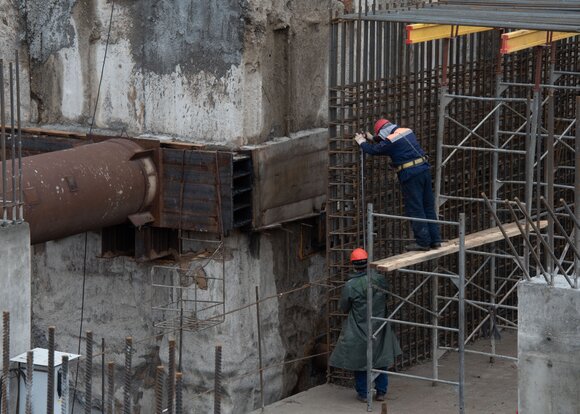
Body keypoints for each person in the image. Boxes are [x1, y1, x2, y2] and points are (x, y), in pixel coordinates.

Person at [354, 117, 442, 251]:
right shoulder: (407, 131)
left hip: (411, 174)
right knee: (428, 206)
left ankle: (423, 242)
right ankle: (435, 240)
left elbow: (375, 150)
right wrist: (373, 138)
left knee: (416, 208)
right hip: (424, 170)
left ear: (383, 132)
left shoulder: (390, 141)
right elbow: (388, 141)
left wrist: (361, 142)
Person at [329, 248, 402, 403]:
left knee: (360, 360)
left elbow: (344, 306)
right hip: (379, 324)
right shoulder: (380, 279)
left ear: (353, 265)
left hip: (359, 327)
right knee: (380, 357)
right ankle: (381, 392)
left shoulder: (350, 285)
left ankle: (363, 393)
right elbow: (386, 296)